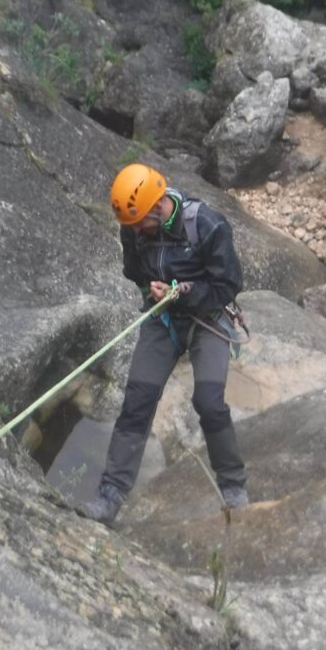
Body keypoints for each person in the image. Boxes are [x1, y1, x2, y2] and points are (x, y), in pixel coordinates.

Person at [78, 163, 248, 525]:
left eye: (140, 223)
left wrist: (180, 293)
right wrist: (156, 293)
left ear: (158, 206)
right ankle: (110, 495)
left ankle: (233, 485)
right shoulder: (134, 229)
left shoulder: (207, 225)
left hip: (208, 318)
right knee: (137, 400)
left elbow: (227, 286)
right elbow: (134, 271)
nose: (136, 231)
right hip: (164, 319)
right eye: (131, 226)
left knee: (209, 400)